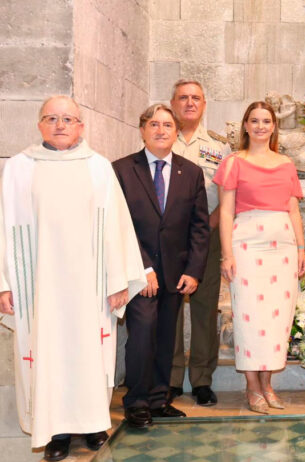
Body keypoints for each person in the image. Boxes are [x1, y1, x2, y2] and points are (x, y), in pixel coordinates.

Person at [0, 96, 146, 461]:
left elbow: (116, 227)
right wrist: (4, 283)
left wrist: (118, 279)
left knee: (89, 353)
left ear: (81, 126)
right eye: (52, 118)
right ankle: (57, 434)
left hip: (90, 285)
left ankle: (94, 424)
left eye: (68, 119)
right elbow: (4, 226)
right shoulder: (19, 168)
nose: (60, 125)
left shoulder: (98, 167)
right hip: (41, 287)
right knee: (49, 354)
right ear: (39, 124)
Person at [113, 104, 210, 427]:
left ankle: (158, 400)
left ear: (176, 132)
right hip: (137, 272)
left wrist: (193, 270)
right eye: (153, 124)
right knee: (141, 335)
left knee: (167, 338)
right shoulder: (122, 170)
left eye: (167, 125)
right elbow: (119, 225)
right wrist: (142, 268)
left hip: (175, 273)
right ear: (142, 130)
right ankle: (137, 401)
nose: (160, 130)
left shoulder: (191, 172)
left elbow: (199, 227)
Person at [214, 101, 305, 414]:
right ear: (245, 126)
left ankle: (268, 385)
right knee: (250, 317)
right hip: (247, 246)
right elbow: (226, 212)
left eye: (266, 121)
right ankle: (252, 386)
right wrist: (227, 254)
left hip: (283, 248)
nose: (260, 126)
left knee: (277, 318)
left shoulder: (286, 164)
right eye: (254, 121)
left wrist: (301, 249)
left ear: (273, 126)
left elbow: (293, 209)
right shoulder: (233, 162)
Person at [169, 79, 231, 407]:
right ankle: (171, 378)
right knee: (170, 308)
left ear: (204, 105)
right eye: (183, 98)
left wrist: (207, 227)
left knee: (205, 309)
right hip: (168, 239)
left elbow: (228, 196)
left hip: (206, 234)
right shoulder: (162, 138)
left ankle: (202, 379)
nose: (190, 103)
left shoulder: (219, 147)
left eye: (196, 98)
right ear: (173, 103)